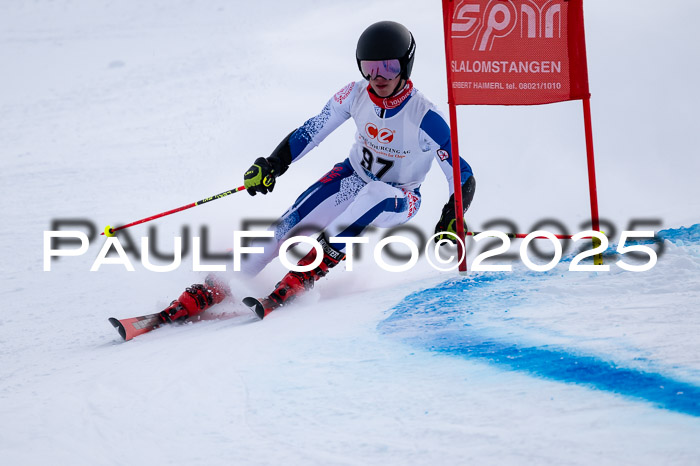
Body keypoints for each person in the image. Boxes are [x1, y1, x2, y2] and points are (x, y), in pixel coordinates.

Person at [159, 21, 475, 323]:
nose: (378, 76)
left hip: (400, 197)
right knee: (284, 228)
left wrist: (452, 214)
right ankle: (217, 284)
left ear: (405, 66)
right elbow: (313, 130)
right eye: (369, 67)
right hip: (352, 177)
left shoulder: (425, 116)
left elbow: (461, 174)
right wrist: (273, 163)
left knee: (375, 194)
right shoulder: (355, 93)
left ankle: (306, 273)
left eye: (389, 67)